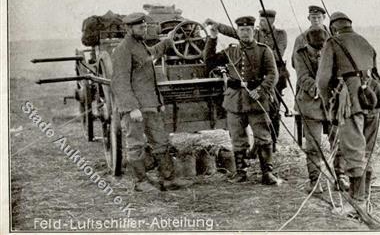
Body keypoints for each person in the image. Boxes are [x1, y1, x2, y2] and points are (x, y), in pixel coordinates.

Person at [111, 12, 189, 192]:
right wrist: (131, 108)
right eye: (140, 27)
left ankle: (168, 179)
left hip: (150, 105)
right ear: (129, 29)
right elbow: (120, 82)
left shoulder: (140, 45)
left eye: (145, 26)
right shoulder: (123, 49)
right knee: (136, 144)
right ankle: (140, 182)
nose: (144, 29)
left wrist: (168, 42)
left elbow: (152, 54)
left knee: (160, 141)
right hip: (136, 108)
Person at [316, 11, 380, 213]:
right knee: (367, 149)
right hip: (374, 97)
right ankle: (365, 195)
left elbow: (322, 80)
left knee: (354, 149)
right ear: (350, 25)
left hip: (350, 102)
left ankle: (357, 202)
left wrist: (330, 103)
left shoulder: (332, 43)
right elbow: (376, 71)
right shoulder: (364, 40)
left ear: (333, 28)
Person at [204, 16, 281, 185]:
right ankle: (241, 172)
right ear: (237, 32)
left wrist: (261, 90)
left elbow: (272, 74)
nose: (245, 33)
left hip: (256, 101)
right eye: (241, 30)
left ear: (253, 31)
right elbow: (208, 62)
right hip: (235, 101)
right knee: (238, 138)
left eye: (248, 30)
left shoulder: (264, 50)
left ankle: (267, 173)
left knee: (263, 137)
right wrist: (213, 38)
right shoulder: (231, 51)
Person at [293, 27, 350, 194]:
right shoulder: (300, 54)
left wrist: (338, 86)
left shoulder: (335, 51)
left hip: (332, 105)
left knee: (338, 142)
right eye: (314, 49)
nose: (318, 53)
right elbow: (303, 77)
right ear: (308, 44)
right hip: (310, 106)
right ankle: (315, 180)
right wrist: (317, 88)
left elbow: (341, 73)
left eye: (321, 49)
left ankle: (341, 176)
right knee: (313, 145)